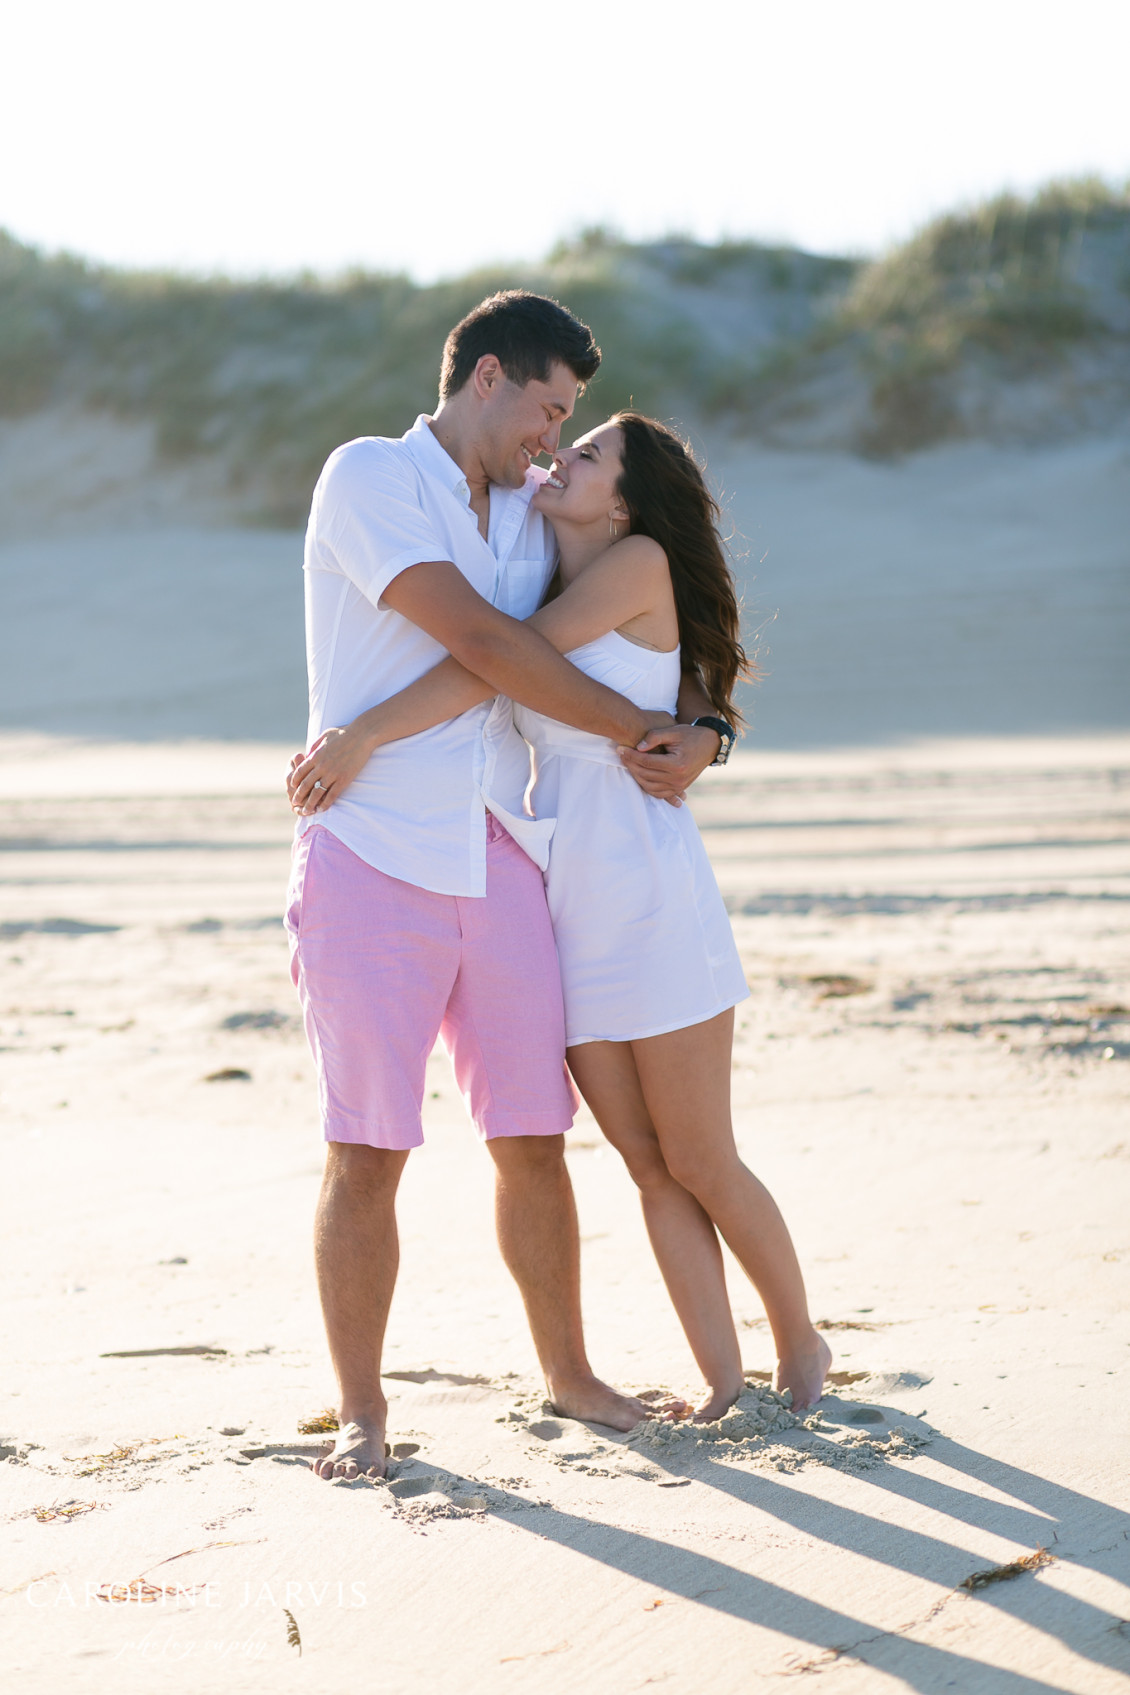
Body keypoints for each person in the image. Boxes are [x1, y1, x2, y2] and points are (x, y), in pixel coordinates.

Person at [289, 411, 832, 1417]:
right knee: (645, 1164)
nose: (558, 450)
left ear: (625, 499)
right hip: (562, 895)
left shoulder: (628, 560)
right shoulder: (533, 552)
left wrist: (360, 734)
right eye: (557, 428)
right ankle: (723, 1382)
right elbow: (544, 654)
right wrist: (697, 714)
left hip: (647, 884)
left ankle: (800, 1347)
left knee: (701, 1156)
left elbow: (499, 658)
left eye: (584, 451)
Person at [286, 291, 723, 1481]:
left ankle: (568, 1375)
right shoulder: (369, 478)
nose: (552, 435)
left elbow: (654, 589)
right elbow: (482, 648)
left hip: (501, 850)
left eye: (567, 420)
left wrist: (704, 723)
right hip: (369, 847)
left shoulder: (540, 508)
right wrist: (646, 728)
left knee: (533, 1133)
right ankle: (363, 1408)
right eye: (547, 407)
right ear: (485, 376)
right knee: (366, 1147)